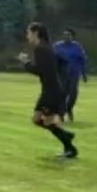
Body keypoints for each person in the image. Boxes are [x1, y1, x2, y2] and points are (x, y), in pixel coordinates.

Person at [17, 22, 78, 159]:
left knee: (43, 120)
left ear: (35, 33)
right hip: (51, 89)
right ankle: (67, 139)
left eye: (28, 33)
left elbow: (40, 70)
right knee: (40, 120)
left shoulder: (40, 48)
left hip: (51, 91)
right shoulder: (47, 47)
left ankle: (69, 144)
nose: (27, 36)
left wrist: (25, 62)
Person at [54, 28, 89, 122]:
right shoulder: (57, 46)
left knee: (73, 94)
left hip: (74, 73)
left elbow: (82, 60)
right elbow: (52, 59)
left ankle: (68, 108)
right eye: (64, 35)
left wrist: (84, 73)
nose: (66, 37)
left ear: (72, 37)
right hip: (61, 74)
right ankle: (61, 113)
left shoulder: (77, 47)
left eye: (68, 35)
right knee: (63, 94)